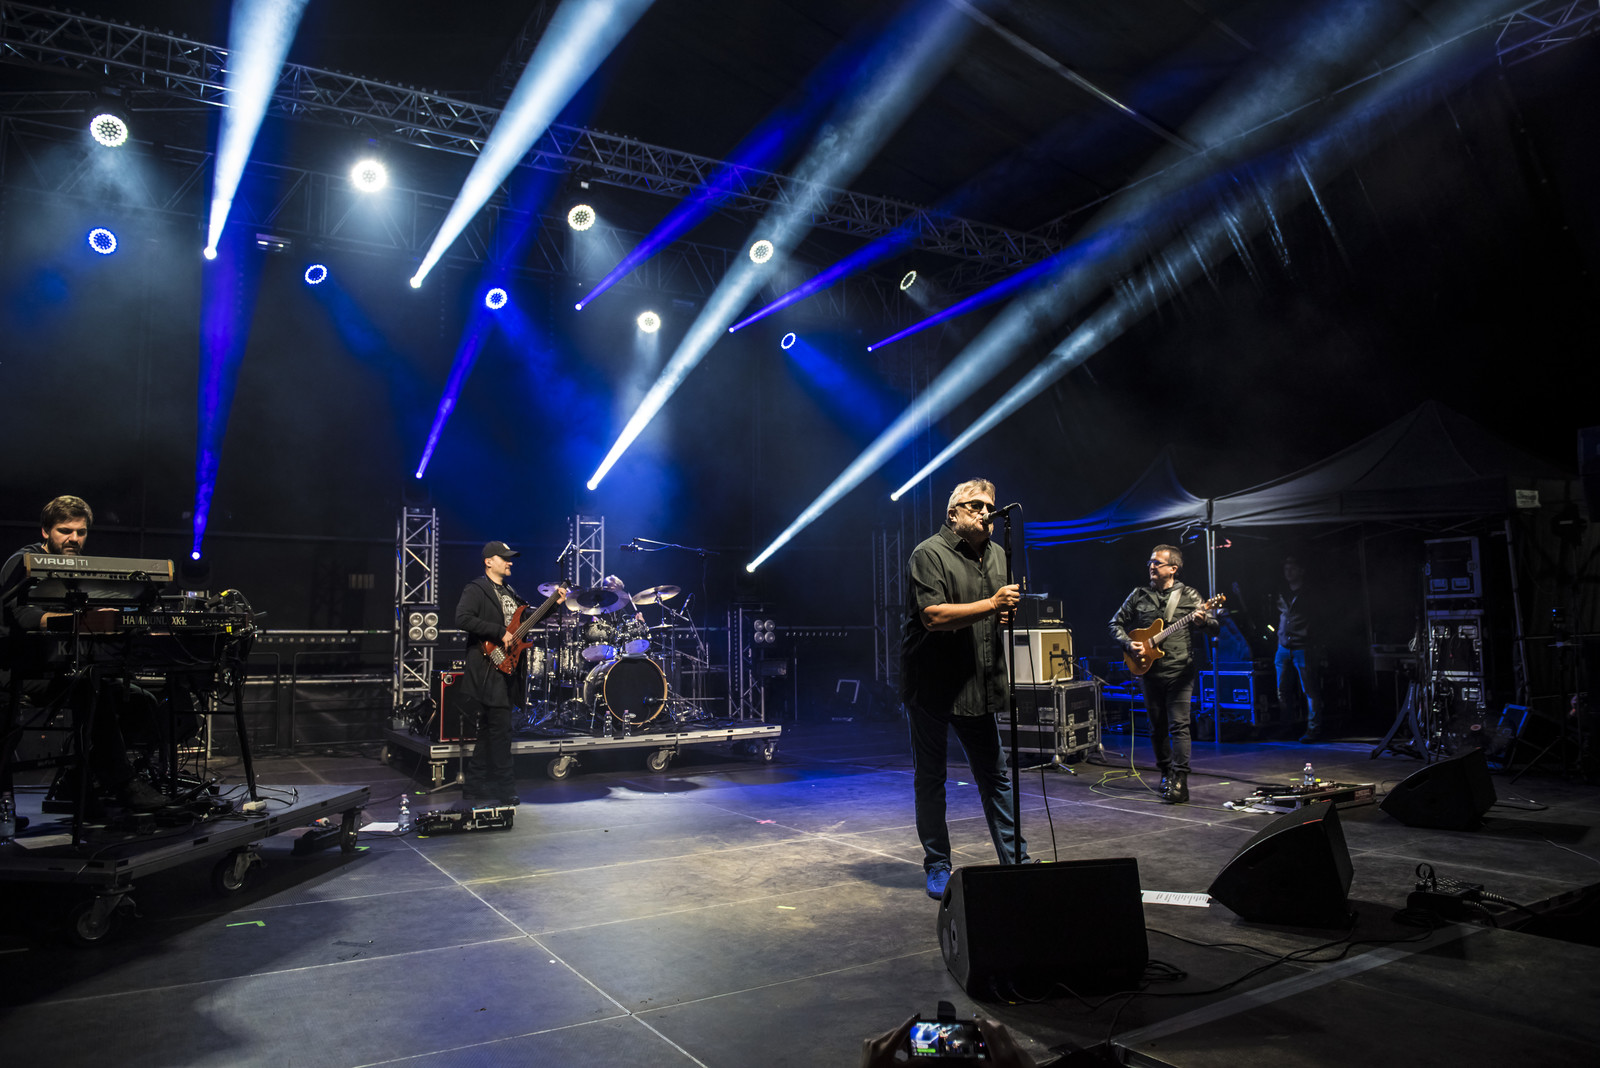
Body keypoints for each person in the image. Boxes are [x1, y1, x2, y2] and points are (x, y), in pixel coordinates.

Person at [901, 478, 1029, 900]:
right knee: (931, 778)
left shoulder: (998, 555)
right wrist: (992, 605)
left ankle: (1016, 861)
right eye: (975, 505)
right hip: (932, 684)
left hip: (979, 682)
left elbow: (995, 614)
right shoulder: (928, 553)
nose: (985, 512)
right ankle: (937, 863)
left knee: (996, 777)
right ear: (953, 513)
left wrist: (1003, 614)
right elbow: (933, 617)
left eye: (989, 505)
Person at [0, 495, 168, 811]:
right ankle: (123, 783)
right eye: (65, 531)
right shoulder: (23, 561)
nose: (74, 539)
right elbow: (21, 615)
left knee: (142, 702)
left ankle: (79, 778)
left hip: (63, 667)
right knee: (90, 686)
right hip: (18, 668)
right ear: (45, 531)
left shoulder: (81, 568)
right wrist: (79, 620)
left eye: (81, 532)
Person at [1109, 544, 1218, 804]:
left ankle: (1180, 779)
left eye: (1157, 563)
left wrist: (1204, 621)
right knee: (1156, 727)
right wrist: (1128, 643)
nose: (1151, 566)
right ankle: (1166, 772)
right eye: (1150, 562)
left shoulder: (1189, 595)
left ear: (1173, 568)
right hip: (1149, 670)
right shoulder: (1139, 594)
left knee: (1179, 725)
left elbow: (1215, 628)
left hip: (1180, 671)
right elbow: (1115, 623)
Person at [454, 540, 551, 805]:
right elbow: (462, 618)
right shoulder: (477, 589)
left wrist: (553, 604)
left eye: (510, 558)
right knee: (500, 731)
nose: (510, 562)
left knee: (490, 730)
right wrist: (499, 632)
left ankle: (474, 787)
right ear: (488, 562)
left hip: (507, 668)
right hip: (488, 667)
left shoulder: (510, 592)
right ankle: (504, 789)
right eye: (504, 558)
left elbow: (525, 621)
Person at [1276, 555, 1327, 743]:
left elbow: (1319, 619)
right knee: (1282, 690)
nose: (1288, 571)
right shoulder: (1282, 592)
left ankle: (1313, 729)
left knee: (1309, 690)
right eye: (1286, 568)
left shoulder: (1309, 593)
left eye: (1292, 568)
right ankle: (1286, 728)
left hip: (1303, 647)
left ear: (1301, 571)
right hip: (1283, 647)